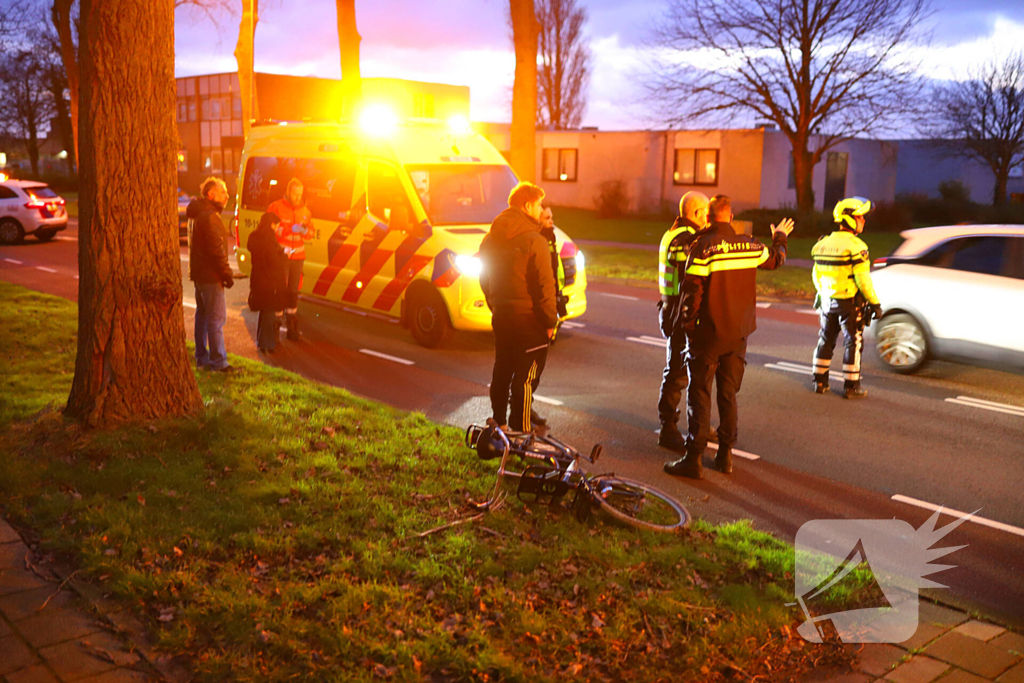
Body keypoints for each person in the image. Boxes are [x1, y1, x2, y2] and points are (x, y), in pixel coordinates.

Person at [665, 195, 793, 479]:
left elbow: (691, 294)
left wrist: (688, 329)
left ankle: (694, 458)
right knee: (728, 394)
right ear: (731, 217)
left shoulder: (702, 247)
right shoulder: (751, 244)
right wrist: (780, 237)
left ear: (708, 218)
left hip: (708, 335)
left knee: (699, 395)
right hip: (739, 335)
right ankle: (725, 456)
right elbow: (776, 260)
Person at [480, 181, 558, 433]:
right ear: (526, 205)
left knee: (502, 368)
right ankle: (520, 431)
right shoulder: (534, 241)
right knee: (526, 377)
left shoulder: (491, 238)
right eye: (538, 205)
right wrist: (549, 322)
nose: (540, 210)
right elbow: (546, 286)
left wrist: (496, 304)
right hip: (529, 320)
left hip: (502, 315)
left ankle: (499, 422)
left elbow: (484, 276)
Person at [811, 197, 883, 399]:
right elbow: (863, 279)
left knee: (825, 340)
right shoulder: (856, 246)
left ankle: (819, 381)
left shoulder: (822, 244)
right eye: (860, 217)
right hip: (849, 303)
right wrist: (875, 303)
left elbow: (816, 276)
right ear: (849, 219)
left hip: (827, 302)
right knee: (853, 342)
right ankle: (851, 387)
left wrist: (823, 294)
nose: (863, 221)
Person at [657, 191, 710, 452]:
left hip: (672, 308)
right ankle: (668, 428)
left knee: (685, 371)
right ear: (698, 213)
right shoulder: (683, 240)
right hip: (677, 312)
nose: (708, 219)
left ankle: (695, 424)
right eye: (706, 214)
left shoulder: (674, 232)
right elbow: (691, 272)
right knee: (677, 372)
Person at [187, 176, 235, 372]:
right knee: (216, 320)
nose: (227, 195)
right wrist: (226, 274)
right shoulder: (210, 217)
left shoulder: (197, 214)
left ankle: (202, 358)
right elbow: (217, 251)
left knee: (203, 318)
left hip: (199, 275)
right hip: (211, 275)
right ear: (210, 194)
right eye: (223, 191)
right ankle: (218, 362)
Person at [267, 178, 314, 341]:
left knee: (293, 292)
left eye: (300, 194)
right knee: (279, 291)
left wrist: (305, 230)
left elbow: (311, 233)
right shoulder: (276, 207)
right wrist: (288, 229)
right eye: (295, 193)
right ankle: (274, 328)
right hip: (282, 257)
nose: (297, 197)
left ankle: (292, 329)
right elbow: (270, 229)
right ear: (288, 192)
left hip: (298, 257)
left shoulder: (305, 211)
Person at [247, 212, 288, 353]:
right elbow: (274, 262)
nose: (277, 228)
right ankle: (267, 344)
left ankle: (262, 341)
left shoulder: (254, 236)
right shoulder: (269, 239)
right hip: (269, 280)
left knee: (264, 312)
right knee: (269, 313)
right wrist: (284, 256)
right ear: (272, 224)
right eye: (277, 226)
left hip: (257, 278)